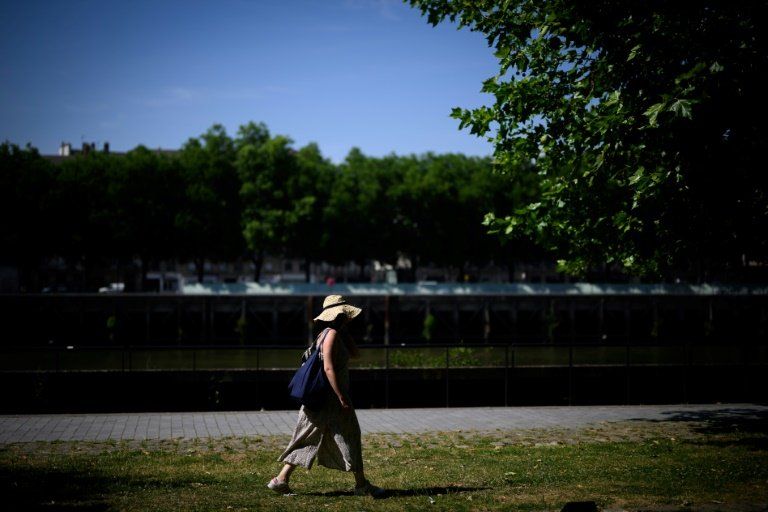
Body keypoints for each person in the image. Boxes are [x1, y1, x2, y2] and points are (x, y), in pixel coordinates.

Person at [267, 295, 385, 498]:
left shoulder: (328, 334)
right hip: (329, 399)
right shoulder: (331, 335)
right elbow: (328, 368)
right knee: (348, 436)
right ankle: (361, 485)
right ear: (340, 315)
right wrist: (341, 396)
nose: (348, 318)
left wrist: (344, 332)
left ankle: (281, 479)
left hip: (320, 399)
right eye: (345, 314)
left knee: (308, 437)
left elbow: (355, 354)